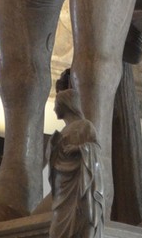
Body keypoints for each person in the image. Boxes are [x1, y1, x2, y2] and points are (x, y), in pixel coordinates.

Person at [48, 88, 104, 238]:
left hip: (81, 183)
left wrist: (79, 149)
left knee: (84, 219)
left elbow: (96, 150)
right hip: (63, 188)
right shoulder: (63, 131)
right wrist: (53, 148)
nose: (54, 108)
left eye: (56, 104)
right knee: (56, 229)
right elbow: (55, 162)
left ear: (66, 105)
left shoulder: (85, 126)